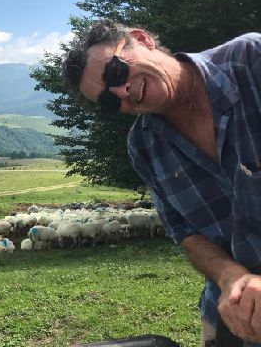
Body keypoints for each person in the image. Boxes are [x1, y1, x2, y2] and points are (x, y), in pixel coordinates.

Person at [62, 19, 261, 347]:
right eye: (109, 101)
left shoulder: (251, 61)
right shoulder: (143, 146)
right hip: (233, 318)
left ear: (140, 39)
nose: (121, 92)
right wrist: (230, 275)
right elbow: (186, 232)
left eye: (115, 72)